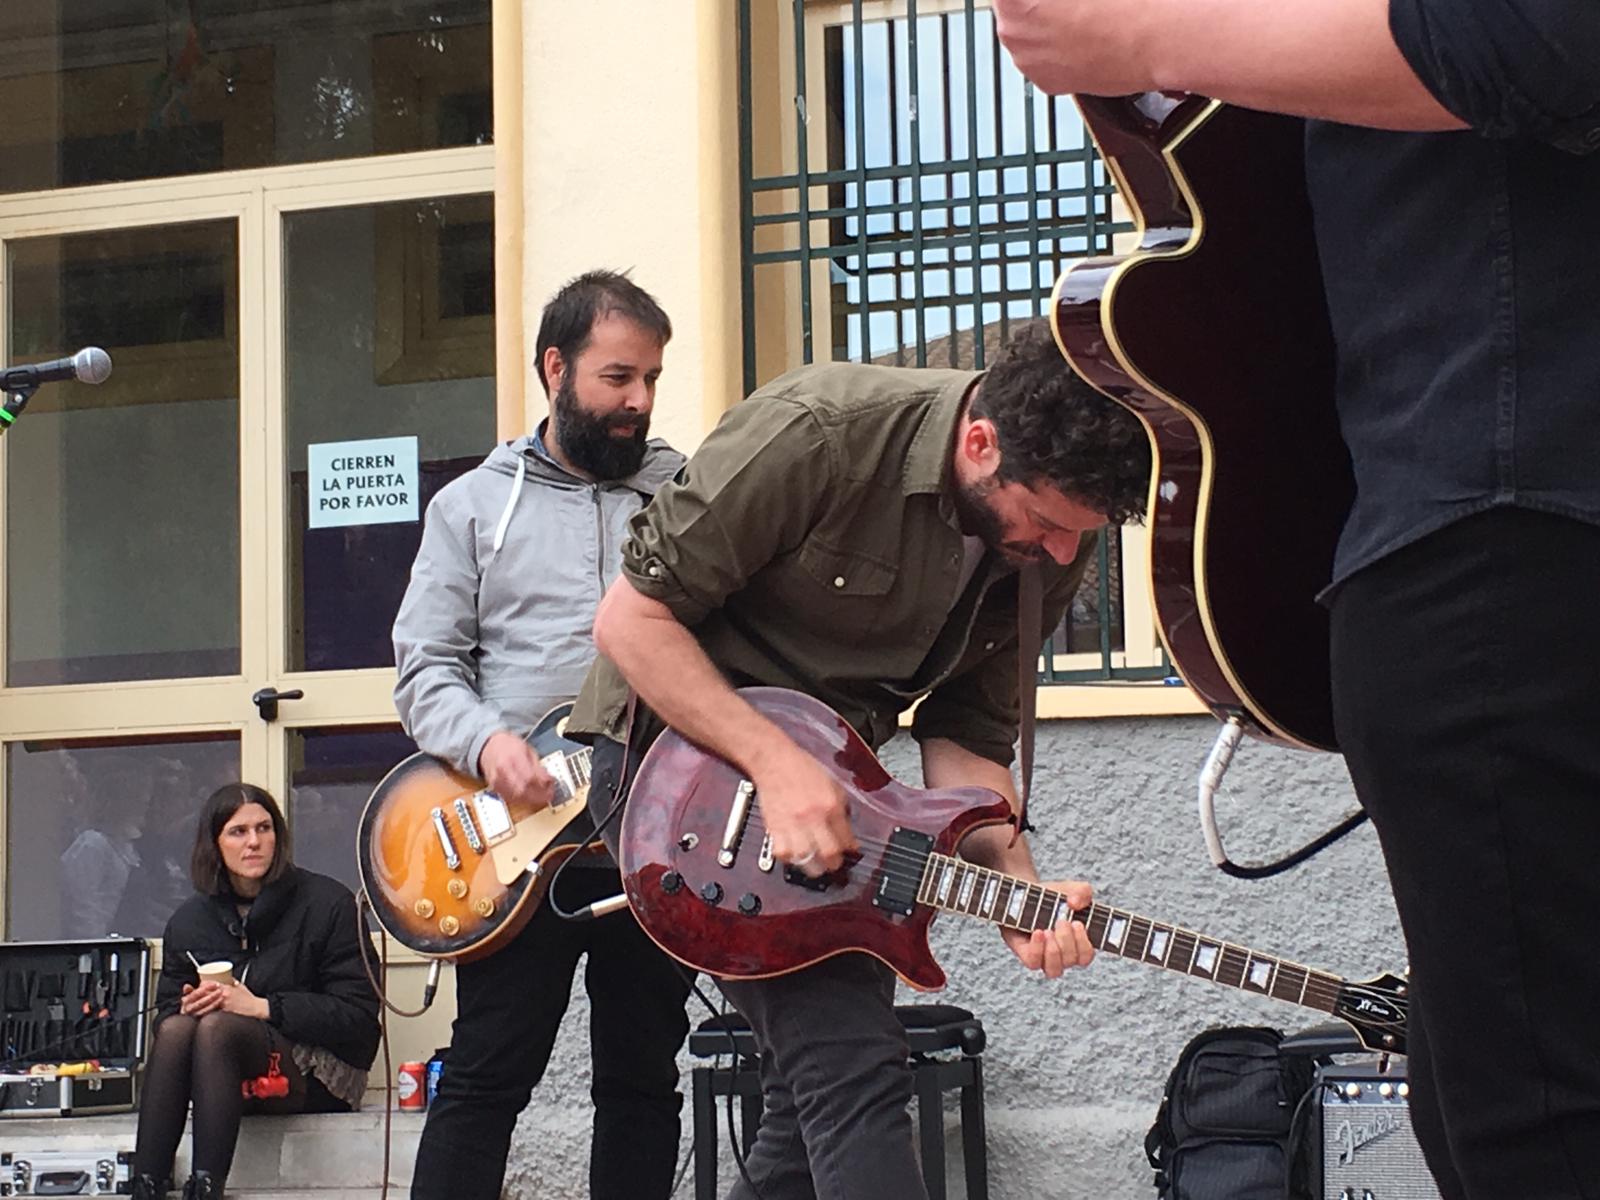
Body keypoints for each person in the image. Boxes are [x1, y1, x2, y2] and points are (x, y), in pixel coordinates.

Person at [990, 5, 1600, 1197]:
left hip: (1506, 530)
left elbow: (1536, 36)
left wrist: (1145, 40)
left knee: (1529, 1116)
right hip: (1483, 522)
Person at [567, 319, 1151, 1199]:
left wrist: (1017, 882)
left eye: (1083, 533)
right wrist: (774, 763)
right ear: (981, 443)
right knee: (853, 1073)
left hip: (832, 797)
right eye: (1047, 523)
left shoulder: (1050, 538)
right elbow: (631, 622)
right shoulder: (818, 432)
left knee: (814, 1110)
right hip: (670, 765)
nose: (1065, 552)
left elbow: (970, 734)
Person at [393, 270, 693, 1200]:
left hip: (654, 843)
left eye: (649, 379)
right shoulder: (471, 507)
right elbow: (424, 669)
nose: (638, 402)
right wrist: (487, 744)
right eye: (617, 378)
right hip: (514, 849)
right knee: (485, 1078)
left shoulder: (687, 495)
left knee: (645, 1084)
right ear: (555, 369)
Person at [132, 784, 380, 1200]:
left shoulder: (328, 902)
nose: (254, 842)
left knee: (218, 1029)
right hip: (222, 1074)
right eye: (238, 832)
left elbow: (357, 1017)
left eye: (264, 828)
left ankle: (207, 1186)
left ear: (278, 836)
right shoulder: (189, 920)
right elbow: (165, 1014)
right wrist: (188, 1007)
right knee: (177, 1030)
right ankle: (146, 1184)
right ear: (215, 844)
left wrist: (263, 1007)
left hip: (320, 1071)